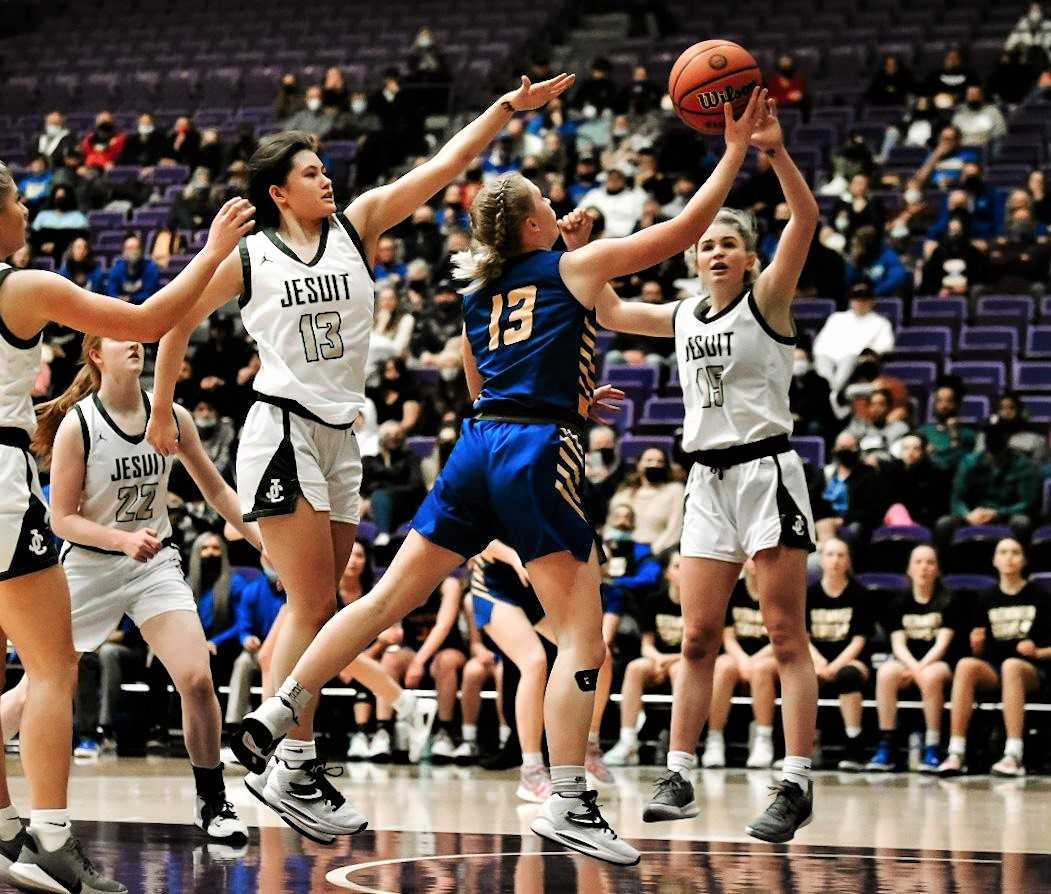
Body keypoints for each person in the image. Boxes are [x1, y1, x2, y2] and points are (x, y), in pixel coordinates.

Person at [232, 89, 767, 865]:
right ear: (532, 225)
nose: (557, 205)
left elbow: (483, 380)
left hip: (476, 444)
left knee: (382, 601)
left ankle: (281, 715)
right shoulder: (574, 265)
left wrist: (564, 384)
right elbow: (680, 231)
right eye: (546, 202)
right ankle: (569, 800)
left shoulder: (479, 289)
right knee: (582, 637)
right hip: (536, 450)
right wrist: (733, 151)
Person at [147, 73, 579, 844]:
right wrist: (159, 407)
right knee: (312, 603)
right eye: (311, 172)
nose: (327, 179)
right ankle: (294, 763)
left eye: (325, 169)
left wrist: (504, 110)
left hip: (345, 435)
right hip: (282, 429)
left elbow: (443, 165)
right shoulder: (250, 257)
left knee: (322, 604)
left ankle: (288, 757)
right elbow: (174, 320)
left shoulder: (360, 224)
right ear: (279, 192)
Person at [0, 159, 252, 893]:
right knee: (52, 669)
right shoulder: (21, 287)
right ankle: (50, 839)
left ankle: (8, 827)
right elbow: (146, 319)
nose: (26, 212)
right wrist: (212, 251)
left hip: (146, 562)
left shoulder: (166, 416)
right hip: (10, 491)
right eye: (17, 201)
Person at [1, 331, 264, 844]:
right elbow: (62, 519)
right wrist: (121, 540)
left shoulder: (170, 415)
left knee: (197, 678)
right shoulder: (80, 424)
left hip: (153, 565)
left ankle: (212, 800)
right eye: (119, 338)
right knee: (37, 689)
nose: (135, 344)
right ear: (96, 355)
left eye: (138, 337)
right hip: (90, 566)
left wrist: (260, 542)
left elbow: (216, 489)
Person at [939, 539, 1051, 778]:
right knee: (965, 665)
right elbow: (982, 653)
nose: (1009, 557)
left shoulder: (1041, 597)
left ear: (1024, 560)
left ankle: (1013, 754)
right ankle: (956, 752)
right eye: (1003, 552)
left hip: (1033, 670)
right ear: (994, 560)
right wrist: (977, 646)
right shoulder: (985, 598)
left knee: (1012, 666)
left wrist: (1038, 652)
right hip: (996, 669)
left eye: (1015, 552)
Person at [464, 542, 553, 800]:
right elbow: (485, 539)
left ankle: (587, 749)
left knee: (590, 653)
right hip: (495, 582)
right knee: (534, 661)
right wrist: (514, 557)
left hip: (536, 582)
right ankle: (532, 771)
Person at [866, 545, 958, 773]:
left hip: (939, 663)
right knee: (886, 672)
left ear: (938, 570)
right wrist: (913, 667)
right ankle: (887, 744)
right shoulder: (898, 603)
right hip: (908, 663)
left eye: (930, 562)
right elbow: (898, 645)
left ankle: (933, 745)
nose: (924, 567)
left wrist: (918, 669)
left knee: (930, 675)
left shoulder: (949, 600)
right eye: (918, 562)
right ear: (909, 569)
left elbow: (942, 644)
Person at [604, 550, 684, 766]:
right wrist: (659, 659)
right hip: (658, 659)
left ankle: (680, 745)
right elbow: (646, 645)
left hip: (683, 661)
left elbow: (699, 649)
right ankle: (628, 741)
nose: (684, 572)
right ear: (666, 573)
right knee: (635, 668)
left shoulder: (699, 603)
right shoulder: (654, 601)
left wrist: (667, 661)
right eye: (678, 566)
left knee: (679, 671)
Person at [805, 539, 873, 771]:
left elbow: (859, 640)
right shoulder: (809, 594)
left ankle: (854, 744)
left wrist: (834, 666)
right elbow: (803, 637)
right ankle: (808, 743)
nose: (835, 560)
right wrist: (819, 662)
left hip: (851, 659)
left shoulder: (860, 594)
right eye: (830, 554)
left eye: (841, 555)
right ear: (822, 560)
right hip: (817, 660)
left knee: (848, 675)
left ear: (848, 561)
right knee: (803, 678)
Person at [700, 560, 775, 768]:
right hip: (738, 655)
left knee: (761, 669)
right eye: (751, 557)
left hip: (770, 655)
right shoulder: (732, 590)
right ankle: (714, 739)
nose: (755, 561)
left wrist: (753, 661)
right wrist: (743, 660)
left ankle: (763, 739)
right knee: (723, 666)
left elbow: (779, 637)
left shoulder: (776, 589)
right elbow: (728, 637)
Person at [607, 448, 684, 556]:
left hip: (657, 553)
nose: (654, 464)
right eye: (649, 460)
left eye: (660, 461)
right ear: (638, 464)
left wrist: (653, 552)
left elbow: (675, 529)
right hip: (624, 550)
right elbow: (610, 526)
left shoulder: (675, 490)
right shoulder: (624, 493)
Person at [106, 235, 160, 305]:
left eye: (135, 248)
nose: (132, 252)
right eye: (129, 248)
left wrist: (131, 299)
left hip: (143, 306)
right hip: (120, 307)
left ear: (141, 250)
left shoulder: (151, 268)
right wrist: (120, 299)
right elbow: (111, 293)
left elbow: (150, 294)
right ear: (123, 252)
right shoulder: (117, 269)